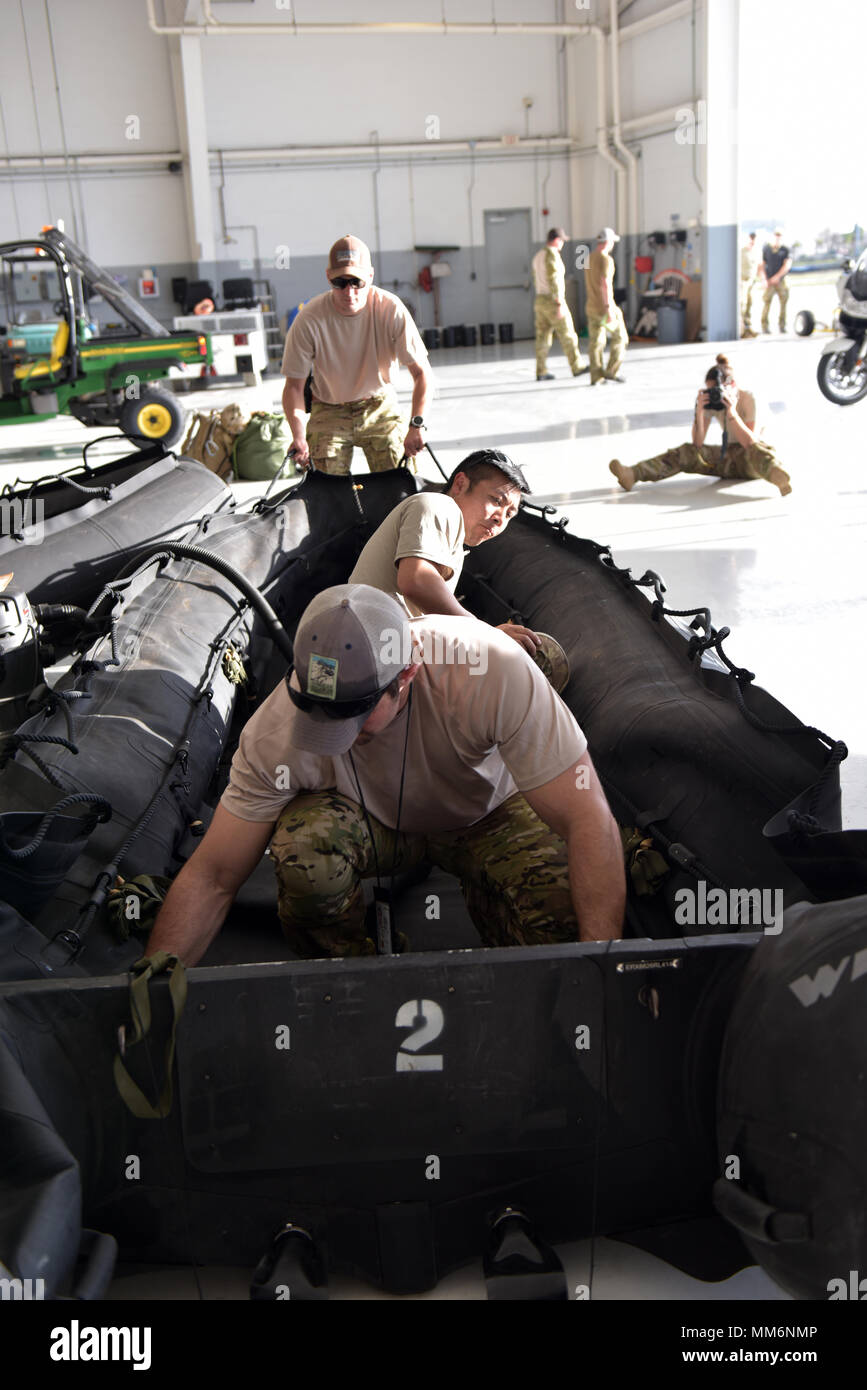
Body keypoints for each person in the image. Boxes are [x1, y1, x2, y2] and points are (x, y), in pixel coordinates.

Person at [144, 584, 626, 964]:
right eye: (316, 710)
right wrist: (155, 981)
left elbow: (587, 819)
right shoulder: (274, 732)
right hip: (377, 826)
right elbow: (213, 876)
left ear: (407, 675)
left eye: (355, 715)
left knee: (562, 905)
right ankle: (351, 981)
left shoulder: (488, 668)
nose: (334, 732)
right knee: (302, 846)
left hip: (487, 815)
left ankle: (517, 956)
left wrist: (598, 968)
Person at [349, 447, 541, 655]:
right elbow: (416, 580)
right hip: (368, 649)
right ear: (460, 484)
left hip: (382, 648)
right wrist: (485, 633)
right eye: (496, 500)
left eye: (509, 514)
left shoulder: (455, 545)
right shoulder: (438, 505)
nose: (500, 518)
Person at [281, 234, 433, 473]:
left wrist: (417, 425)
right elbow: (293, 387)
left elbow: (422, 374)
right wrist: (298, 436)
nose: (349, 292)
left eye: (357, 282)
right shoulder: (309, 319)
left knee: (399, 481)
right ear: (328, 277)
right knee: (324, 488)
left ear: (370, 276)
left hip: (379, 404)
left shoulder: (390, 309)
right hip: (329, 407)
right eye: (340, 283)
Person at [608, 353, 792, 496]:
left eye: (716, 391)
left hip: (754, 461)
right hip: (728, 459)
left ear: (732, 384)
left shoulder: (749, 398)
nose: (713, 395)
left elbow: (749, 443)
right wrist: (699, 412)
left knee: (757, 451)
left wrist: (732, 412)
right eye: (709, 390)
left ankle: (779, 477)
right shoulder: (713, 402)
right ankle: (632, 474)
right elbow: (697, 444)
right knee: (687, 451)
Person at [532, 227, 588, 382]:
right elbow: (554, 278)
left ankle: (541, 370)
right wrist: (558, 302)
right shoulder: (552, 255)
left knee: (543, 337)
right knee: (568, 334)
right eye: (562, 240)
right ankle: (577, 366)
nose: (563, 244)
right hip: (553, 301)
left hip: (540, 300)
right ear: (557, 240)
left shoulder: (538, 255)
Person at [583, 228, 629, 385]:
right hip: (604, 307)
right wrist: (609, 308)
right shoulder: (606, 260)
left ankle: (596, 376)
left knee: (596, 342)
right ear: (608, 242)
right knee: (621, 338)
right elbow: (605, 284)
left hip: (591, 307)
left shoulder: (588, 258)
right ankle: (611, 371)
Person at [761, 229, 793, 335]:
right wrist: (764, 279)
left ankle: (782, 326)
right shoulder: (766, 249)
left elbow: (787, 265)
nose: (777, 237)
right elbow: (761, 265)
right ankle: (764, 326)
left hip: (781, 280)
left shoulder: (785, 250)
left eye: (779, 235)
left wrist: (777, 277)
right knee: (766, 302)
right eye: (776, 235)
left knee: (783, 303)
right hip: (769, 281)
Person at [740, 231, 763, 338]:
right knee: (742, 305)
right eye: (751, 238)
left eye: (754, 239)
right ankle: (741, 329)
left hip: (752, 282)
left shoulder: (757, 252)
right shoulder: (741, 251)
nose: (752, 241)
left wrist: (763, 279)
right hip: (742, 281)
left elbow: (759, 267)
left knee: (750, 304)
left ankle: (748, 328)